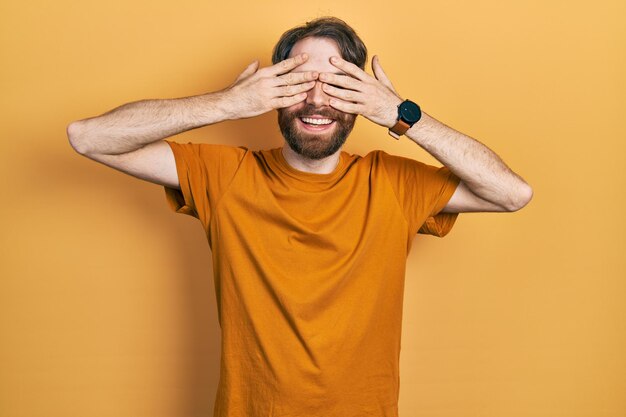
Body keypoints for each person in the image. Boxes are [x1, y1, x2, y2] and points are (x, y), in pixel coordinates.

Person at [67, 16, 532, 417]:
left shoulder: (392, 183)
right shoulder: (226, 175)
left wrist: (399, 114)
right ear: (272, 90)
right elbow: (89, 137)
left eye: (336, 84)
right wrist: (228, 103)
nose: (315, 100)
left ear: (360, 96)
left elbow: (512, 193)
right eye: (297, 82)